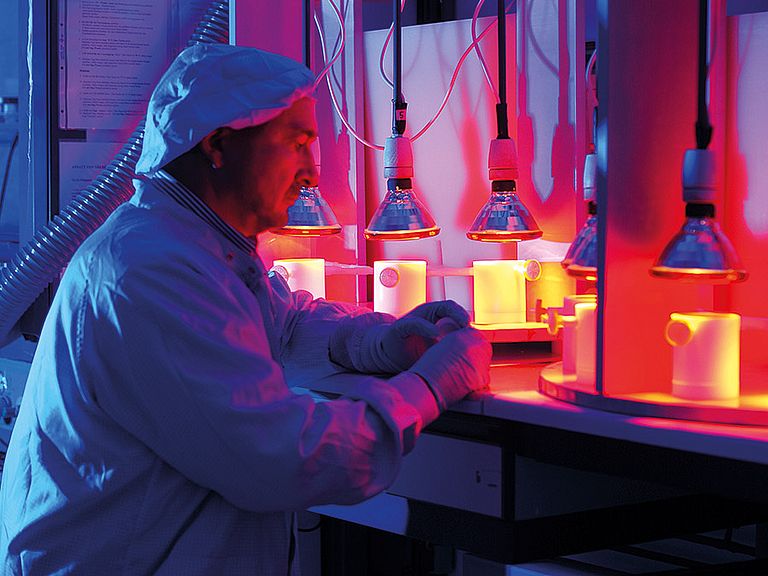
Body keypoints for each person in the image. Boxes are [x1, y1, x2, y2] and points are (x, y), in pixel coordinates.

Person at [0, 44, 491, 575]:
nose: (311, 173)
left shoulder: (198, 244)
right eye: (297, 145)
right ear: (218, 145)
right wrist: (428, 389)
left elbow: (284, 322)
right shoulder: (150, 271)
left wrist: (377, 340)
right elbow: (283, 460)